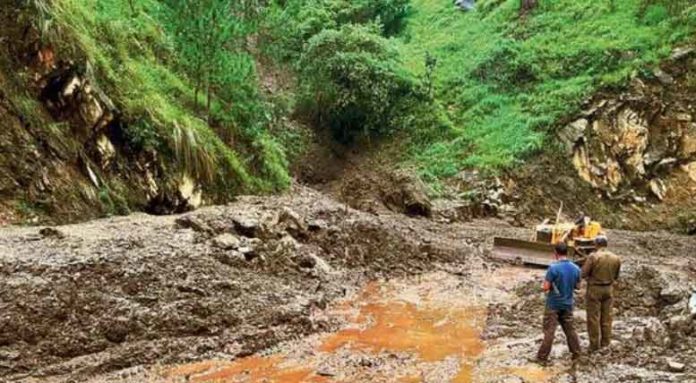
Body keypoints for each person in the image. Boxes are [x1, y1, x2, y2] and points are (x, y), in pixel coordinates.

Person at [534, 243, 582, 364]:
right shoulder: (576, 268)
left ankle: (542, 357)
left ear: (556, 253)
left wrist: (546, 286)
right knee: (570, 330)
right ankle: (577, 354)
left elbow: (546, 287)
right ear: (567, 253)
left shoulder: (553, 268)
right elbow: (578, 287)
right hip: (568, 304)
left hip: (553, 304)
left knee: (549, 331)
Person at [582, 235, 621, 352]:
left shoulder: (593, 257)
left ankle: (594, 345)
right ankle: (606, 344)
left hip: (594, 289)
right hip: (609, 289)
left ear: (596, 244)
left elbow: (583, 273)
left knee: (593, 318)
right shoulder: (616, 258)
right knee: (607, 317)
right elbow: (616, 276)